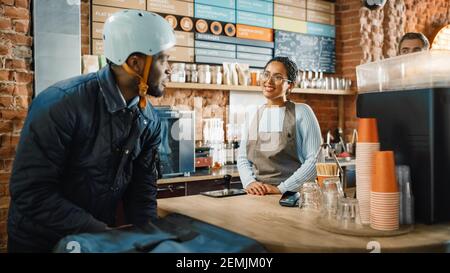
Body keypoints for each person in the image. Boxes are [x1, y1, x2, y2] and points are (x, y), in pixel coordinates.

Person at [7, 10, 176, 252]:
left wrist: (150, 241)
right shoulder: (61, 104)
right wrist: (102, 232)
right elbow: (30, 192)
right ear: (135, 63)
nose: (169, 69)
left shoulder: (149, 120)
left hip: (93, 239)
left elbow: (142, 193)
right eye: (163, 59)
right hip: (40, 240)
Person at [237, 57, 322, 195]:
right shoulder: (252, 114)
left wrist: (281, 189)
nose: (269, 81)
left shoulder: (302, 112)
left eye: (277, 77)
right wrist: (249, 182)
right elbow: (243, 158)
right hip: (257, 195)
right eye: (266, 74)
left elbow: (315, 161)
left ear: (291, 85)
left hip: (293, 196)